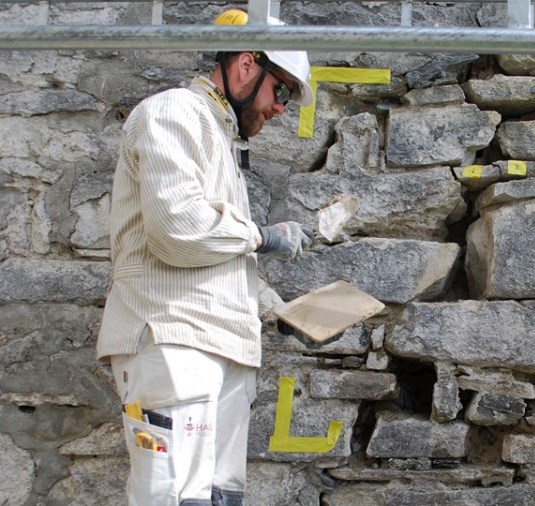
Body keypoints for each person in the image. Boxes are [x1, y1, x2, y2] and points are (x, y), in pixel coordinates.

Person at [96, 10, 315, 505]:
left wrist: (277, 311)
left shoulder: (221, 137)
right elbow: (177, 229)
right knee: (173, 496)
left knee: (219, 497)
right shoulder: (174, 112)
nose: (281, 108)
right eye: (280, 90)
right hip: (173, 339)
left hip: (222, 348)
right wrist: (263, 236)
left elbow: (221, 259)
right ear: (246, 65)